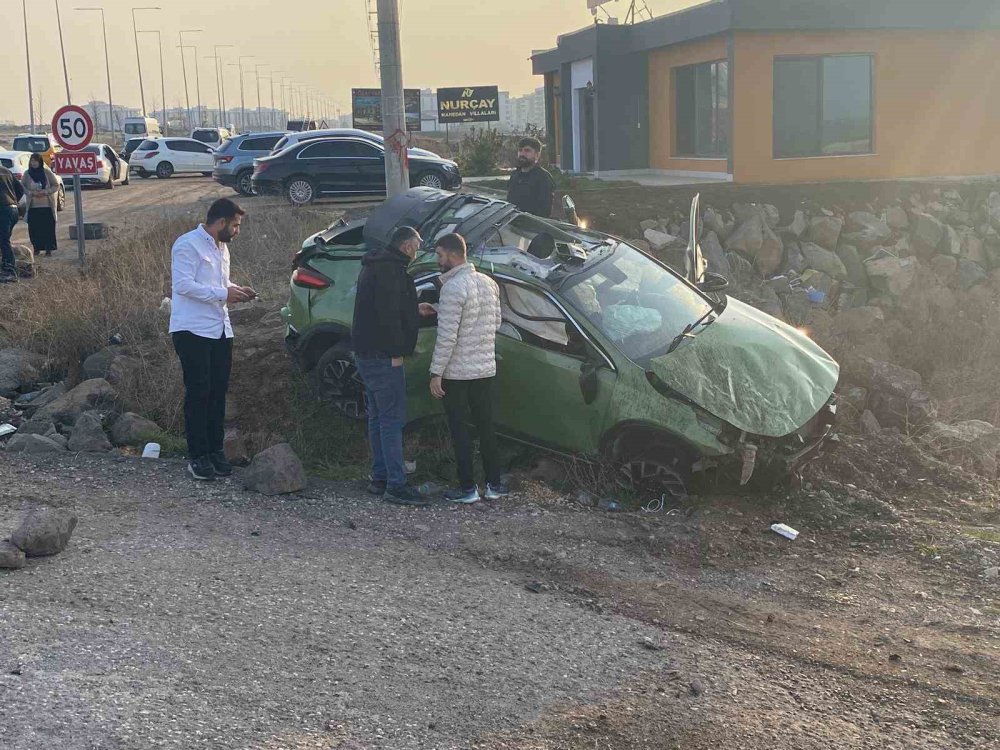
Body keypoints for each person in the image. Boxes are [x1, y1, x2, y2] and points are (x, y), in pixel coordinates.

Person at [170, 197, 256, 481]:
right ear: (220, 222)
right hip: (192, 330)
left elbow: (217, 284)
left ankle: (215, 452)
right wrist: (223, 294)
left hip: (220, 329)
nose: (237, 231)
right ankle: (198, 456)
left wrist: (235, 289)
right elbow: (182, 286)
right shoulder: (187, 244)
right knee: (199, 393)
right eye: (235, 225)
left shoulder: (222, 248)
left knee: (218, 393)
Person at [353, 225, 434, 506]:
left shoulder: (377, 265)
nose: (418, 250)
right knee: (392, 420)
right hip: (382, 356)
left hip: (366, 353)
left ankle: (380, 478)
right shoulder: (392, 272)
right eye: (418, 246)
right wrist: (398, 352)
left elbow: (385, 308)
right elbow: (388, 318)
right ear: (408, 247)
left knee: (377, 417)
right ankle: (396, 485)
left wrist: (414, 310)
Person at [428, 233, 506, 504]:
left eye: (439, 255)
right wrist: (441, 309)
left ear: (451, 255)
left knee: (460, 430)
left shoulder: (452, 288)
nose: (438, 261)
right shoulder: (489, 283)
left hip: (458, 374)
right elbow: (494, 322)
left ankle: (468, 489)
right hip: (485, 369)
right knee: (486, 427)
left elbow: (447, 336)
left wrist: (436, 373)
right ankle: (495, 485)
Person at [20, 154, 59, 257]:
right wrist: (30, 193)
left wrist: (46, 192)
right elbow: (22, 186)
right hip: (33, 206)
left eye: (36, 161)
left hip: (46, 206)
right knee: (34, 229)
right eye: (32, 161)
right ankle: (36, 248)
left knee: (47, 228)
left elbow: (56, 185)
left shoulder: (47, 173)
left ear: (40, 162)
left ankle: (48, 249)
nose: (34, 163)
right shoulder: (27, 174)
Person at [506, 136, 554, 218]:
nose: (522, 154)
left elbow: (544, 211)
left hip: (532, 226)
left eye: (527, 150)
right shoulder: (515, 175)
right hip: (512, 223)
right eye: (520, 150)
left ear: (537, 154)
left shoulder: (543, 178)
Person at [0, 164, 24, 283]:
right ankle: (5, 267)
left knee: (4, 241)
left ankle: (10, 271)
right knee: (4, 240)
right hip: (13, 209)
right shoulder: (7, 171)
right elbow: (21, 189)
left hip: (3, 209)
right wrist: (14, 201)